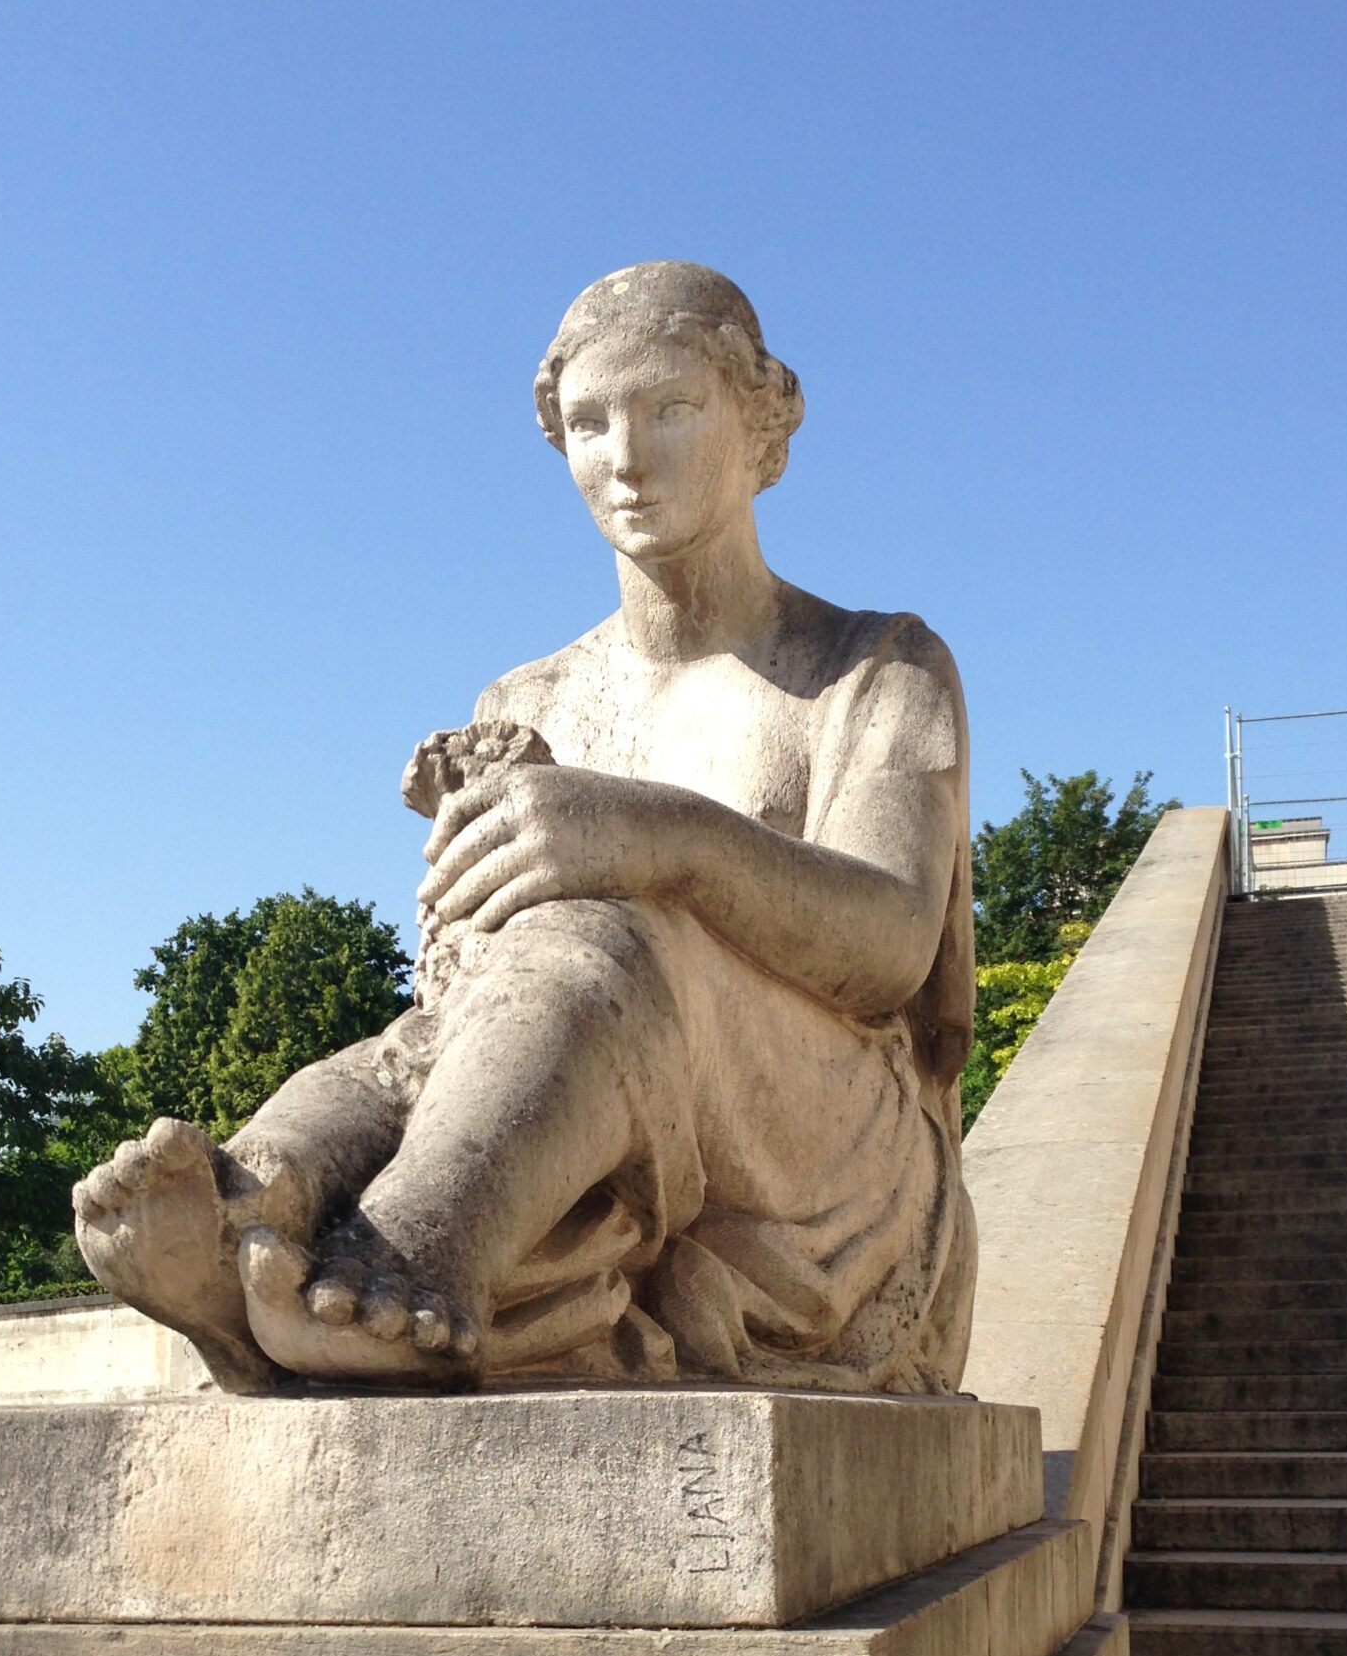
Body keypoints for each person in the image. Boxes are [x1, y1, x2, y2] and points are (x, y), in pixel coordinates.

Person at [74, 262, 976, 1393]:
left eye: (672, 411)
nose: (627, 458)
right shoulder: (524, 703)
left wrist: (664, 839)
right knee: (403, 1054)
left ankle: (410, 1253)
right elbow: (458, 999)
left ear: (761, 429)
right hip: (571, 1053)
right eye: (591, 423)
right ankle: (253, 1210)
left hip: (815, 1147)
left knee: (605, 945)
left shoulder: (875, 668)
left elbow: (891, 940)